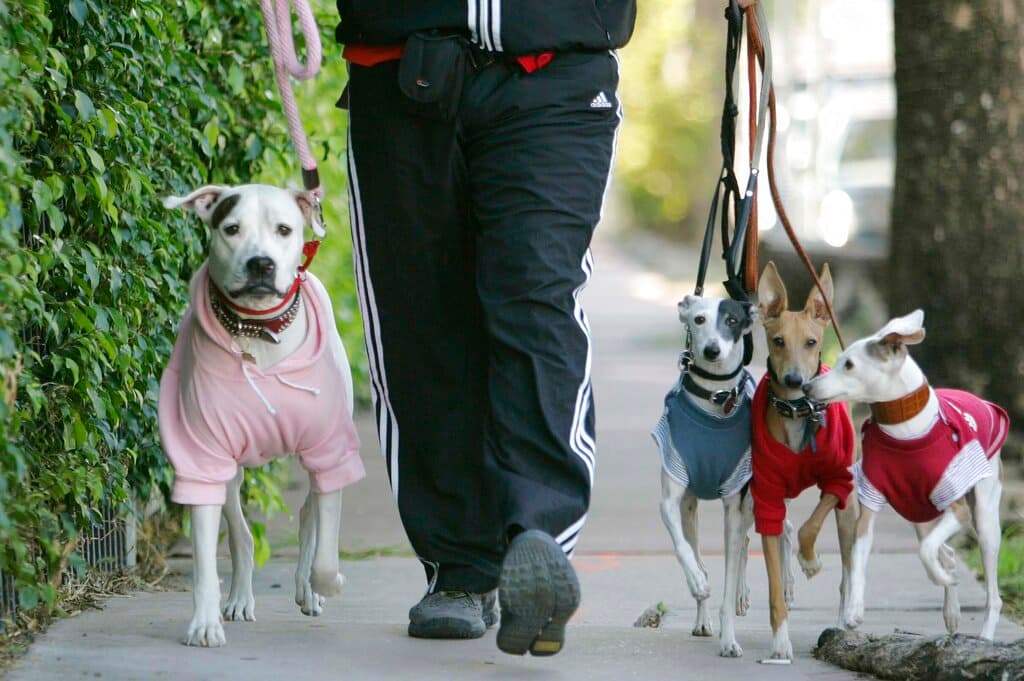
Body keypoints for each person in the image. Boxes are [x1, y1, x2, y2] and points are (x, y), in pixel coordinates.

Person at [334, 0, 756, 655]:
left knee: (536, 297)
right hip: (399, 62)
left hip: (557, 64)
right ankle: (461, 566)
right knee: (420, 322)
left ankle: (539, 534)